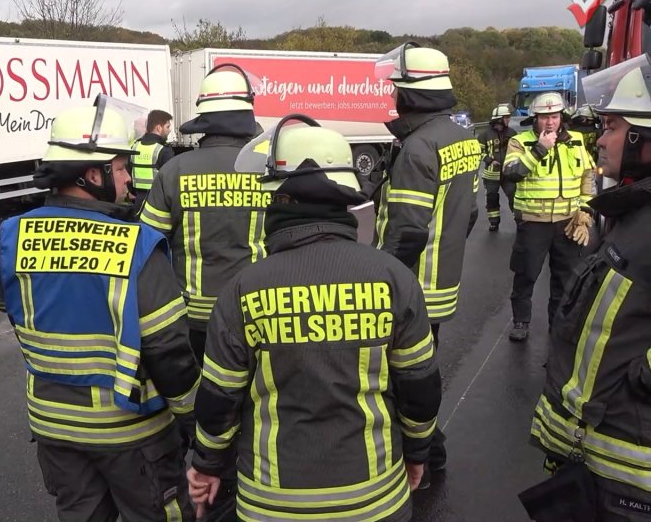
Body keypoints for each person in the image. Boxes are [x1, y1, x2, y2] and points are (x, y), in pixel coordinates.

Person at [186, 116, 441, 522]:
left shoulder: (243, 289)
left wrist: (206, 465)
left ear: (279, 199)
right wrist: (417, 453)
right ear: (345, 197)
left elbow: (220, 400)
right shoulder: (394, 277)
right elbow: (420, 388)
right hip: (375, 499)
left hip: (272, 503)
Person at [0, 97, 200, 522]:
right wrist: (198, 421)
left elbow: (3, 301)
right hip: (130, 430)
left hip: (52, 426)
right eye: (121, 168)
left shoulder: (13, 236)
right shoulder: (136, 246)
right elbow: (169, 351)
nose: (128, 180)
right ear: (91, 174)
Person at [139, 63, 268, 521]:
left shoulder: (174, 171)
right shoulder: (270, 167)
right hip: (258, 317)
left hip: (193, 321)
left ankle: (207, 482)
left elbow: (147, 248)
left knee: (203, 407)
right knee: (253, 404)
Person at [525, 55, 651, 522]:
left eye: (613, 127)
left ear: (643, 137)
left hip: (627, 464)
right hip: (597, 457)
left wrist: (636, 384)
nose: (601, 138)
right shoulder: (633, 212)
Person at [372, 42, 480, 482]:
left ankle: (424, 453)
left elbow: (408, 231)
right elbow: (470, 214)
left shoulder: (418, 149)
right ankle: (430, 452)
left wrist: (384, 284)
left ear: (411, 94)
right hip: (444, 280)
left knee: (406, 378)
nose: (393, 97)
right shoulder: (462, 139)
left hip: (413, 284)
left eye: (397, 90)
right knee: (422, 367)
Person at [501, 92, 596, 342]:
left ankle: (559, 325)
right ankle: (521, 321)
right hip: (534, 222)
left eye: (554, 116)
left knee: (565, 279)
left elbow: (587, 177)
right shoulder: (520, 141)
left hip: (567, 222)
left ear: (561, 117)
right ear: (535, 119)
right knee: (526, 274)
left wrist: (585, 211)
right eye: (544, 117)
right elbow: (511, 173)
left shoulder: (576, 140)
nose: (550, 122)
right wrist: (540, 150)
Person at [479, 104, 518, 230]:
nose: (508, 120)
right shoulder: (484, 135)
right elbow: (478, 151)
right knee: (492, 198)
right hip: (491, 174)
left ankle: (519, 220)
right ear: (499, 119)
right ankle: (494, 222)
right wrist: (489, 160)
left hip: (508, 173)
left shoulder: (512, 133)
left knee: (514, 196)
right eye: (506, 117)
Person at [130, 109, 175, 212]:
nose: (169, 130)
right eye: (167, 127)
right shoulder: (163, 150)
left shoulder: (135, 146)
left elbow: (129, 172)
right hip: (157, 204)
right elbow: (171, 181)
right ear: (159, 128)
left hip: (138, 202)